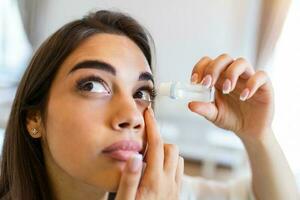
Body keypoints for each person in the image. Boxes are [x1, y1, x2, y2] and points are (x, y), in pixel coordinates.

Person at [0, 10, 298, 200]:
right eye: (93, 85)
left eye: (142, 93)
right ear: (34, 118)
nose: (132, 116)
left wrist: (258, 135)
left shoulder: (165, 191)